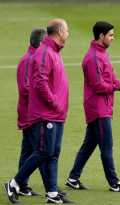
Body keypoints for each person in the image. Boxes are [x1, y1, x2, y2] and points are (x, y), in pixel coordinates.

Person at [4, 18, 71, 204]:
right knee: (43, 151)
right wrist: (54, 103)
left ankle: (51, 194)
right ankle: (14, 183)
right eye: (66, 30)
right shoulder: (45, 53)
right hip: (46, 113)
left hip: (56, 114)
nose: (68, 34)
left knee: (52, 152)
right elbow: (40, 82)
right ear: (58, 31)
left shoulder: (55, 53)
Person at [65, 21, 120, 193]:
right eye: (110, 35)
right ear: (101, 36)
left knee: (88, 145)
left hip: (101, 107)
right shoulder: (93, 57)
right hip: (98, 109)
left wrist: (117, 83)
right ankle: (114, 183)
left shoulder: (101, 54)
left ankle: (73, 178)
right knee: (107, 146)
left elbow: (109, 76)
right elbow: (98, 85)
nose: (113, 38)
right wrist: (117, 87)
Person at [16, 28, 47, 196]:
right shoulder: (29, 61)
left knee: (28, 150)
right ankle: (51, 189)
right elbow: (25, 88)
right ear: (41, 43)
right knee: (41, 151)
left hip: (32, 112)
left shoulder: (33, 59)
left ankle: (21, 185)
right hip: (31, 114)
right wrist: (45, 94)